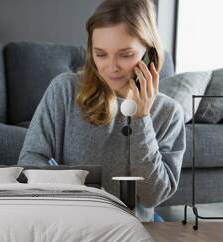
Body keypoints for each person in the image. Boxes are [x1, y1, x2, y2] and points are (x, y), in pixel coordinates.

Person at [18, 0, 186, 221]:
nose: (111, 67)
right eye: (101, 54)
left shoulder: (169, 112)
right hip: (69, 222)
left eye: (125, 55)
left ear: (148, 52)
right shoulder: (65, 90)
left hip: (133, 229)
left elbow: (152, 195)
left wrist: (141, 119)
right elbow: (28, 162)